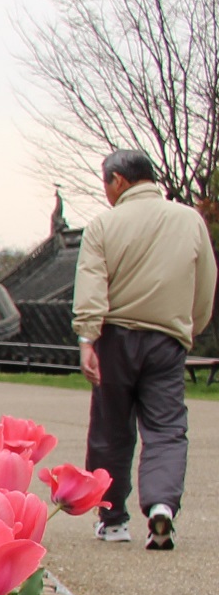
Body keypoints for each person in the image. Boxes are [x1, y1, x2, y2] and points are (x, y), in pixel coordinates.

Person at [76, 148, 216, 550]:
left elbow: (91, 285)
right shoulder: (190, 220)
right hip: (167, 339)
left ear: (117, 180)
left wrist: (88, 338)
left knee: (111, 430)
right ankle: (161, 506)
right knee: (167, 428)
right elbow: (205, 283)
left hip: (114, 338)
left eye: (105, 183)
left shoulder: (104, 225)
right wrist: (187, 326)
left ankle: (113, 518)